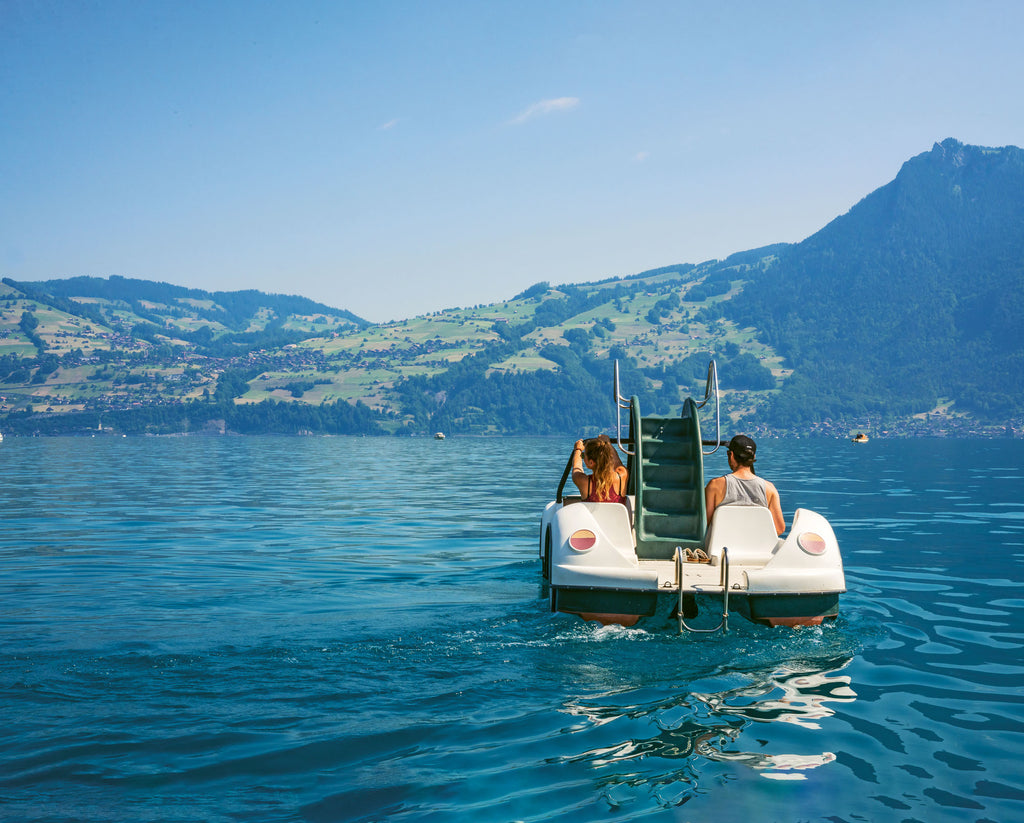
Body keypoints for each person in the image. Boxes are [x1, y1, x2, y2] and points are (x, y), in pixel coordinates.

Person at [704, 434, 785, 535]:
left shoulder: (715, 485)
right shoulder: (770, 489)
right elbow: (779, 529)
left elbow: (704, 523)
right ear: (753, 456)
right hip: (757, 548)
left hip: (721, 549)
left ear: (731, 455)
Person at [571, 436, 628, 504]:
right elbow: (617, 462)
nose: (583, 458)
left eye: (584, 456)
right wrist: (608, 444)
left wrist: (578, 449)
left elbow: (576, 467)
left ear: (591, 462)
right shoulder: (622, 475)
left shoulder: (583, 481)